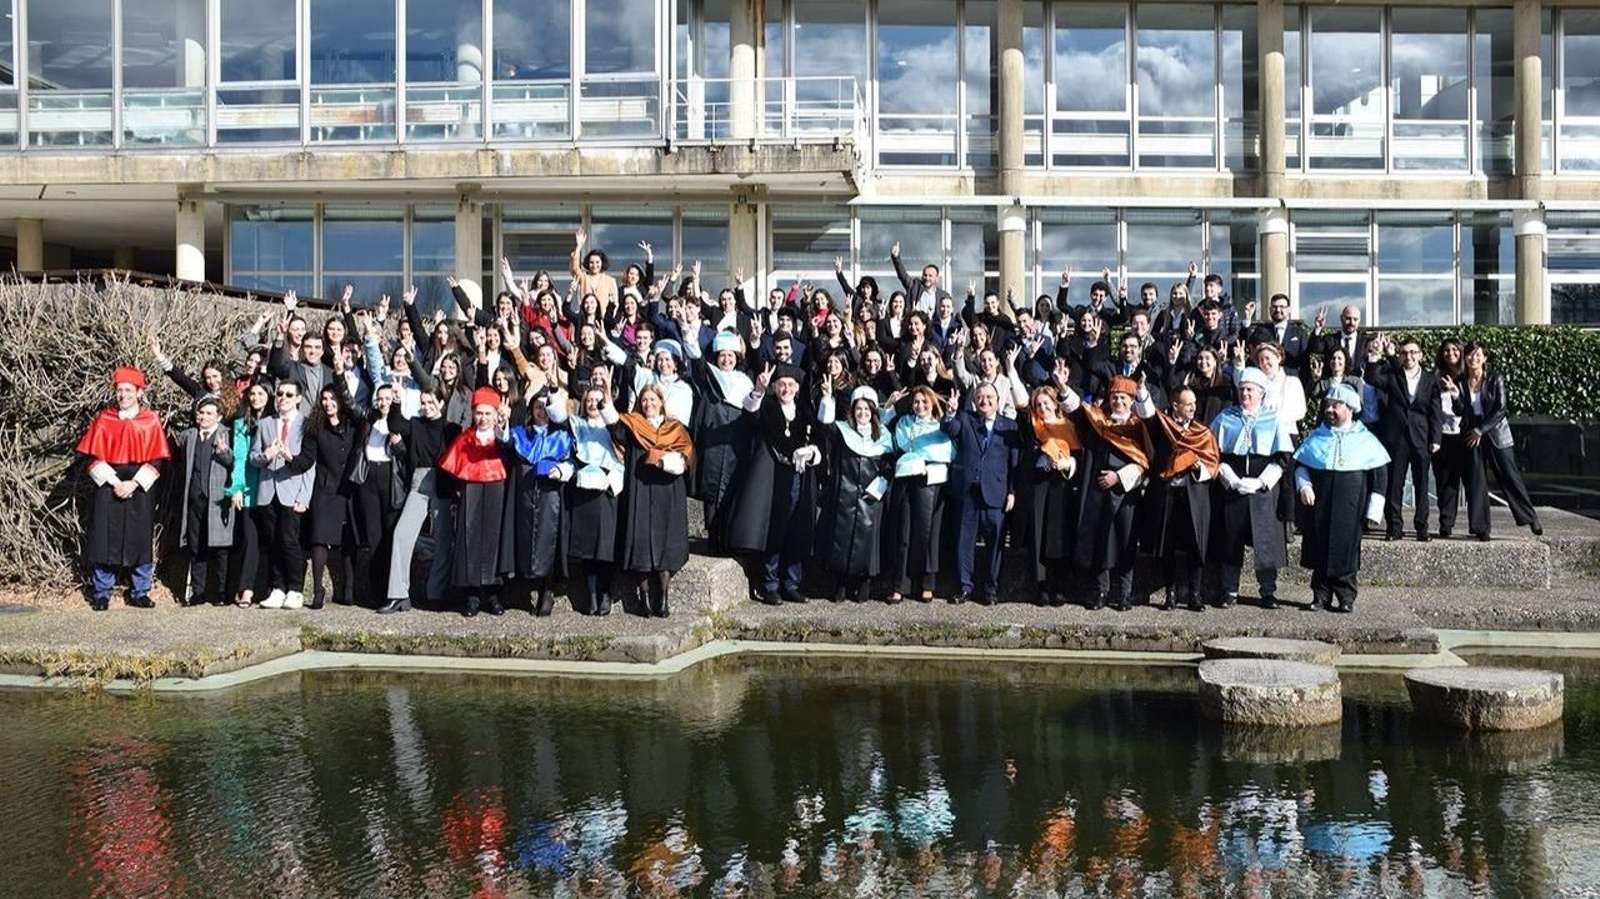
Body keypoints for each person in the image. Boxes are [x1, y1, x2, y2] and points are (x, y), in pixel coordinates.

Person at [75, 367, 171, 611]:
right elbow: (92, 458)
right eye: (119, 390)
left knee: (140, 539)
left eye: (128, 390)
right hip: (109, 485)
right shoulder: (104, 420)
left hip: (139, 487)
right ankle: (101, 592)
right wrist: (115, 482)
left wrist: (134, 483)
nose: (123, 395)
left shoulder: (150, 421)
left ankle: (140, 591)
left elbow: (157, 459)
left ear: (139, 392)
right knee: (104, 538)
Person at [728, 364, 822, 605]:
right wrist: (758, 391)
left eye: (791, 385)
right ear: (774, 387)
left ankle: (791, 583)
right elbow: (750, 416)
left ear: (798, 388)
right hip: (773, 477)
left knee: (797, 530)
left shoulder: (804, 410)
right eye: (781, 384)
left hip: (800, 476)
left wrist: (811, 452)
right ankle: (770, 584)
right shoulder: (767, 406)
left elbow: (820, 438)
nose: (786, 388)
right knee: (774, 530)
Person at [1060, 375, 1154, 611]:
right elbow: (1079, 412)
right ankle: (1101, 591)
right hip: (1099, 494)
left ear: (1131, 400)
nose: (1118, 401)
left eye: (1123, 397)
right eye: (1114, 397)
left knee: (1126, 543)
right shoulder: (1099, 422)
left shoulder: (1137, 427)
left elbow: (1146, 462)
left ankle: (1124, 594)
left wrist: (1119, 477)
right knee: (1101, 541)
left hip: (1127, 493)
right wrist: (1062, 386)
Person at [1294, 383, 1390, 613]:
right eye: (1328, 405)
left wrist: (1373, 512)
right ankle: (1320, 595)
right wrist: (1304, 485)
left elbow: (1380, 477)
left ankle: (1346, 596)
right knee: (1320, 546)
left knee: (1347, 548)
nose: (1330, 409)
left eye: (1335, 405)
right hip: (1321, 504)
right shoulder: (1317, 436)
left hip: (1351, 504)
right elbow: (1300, 466)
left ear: (1349, 408)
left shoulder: (1366, 440)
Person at [1209, 369, 1296, 609]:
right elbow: (1213, 454)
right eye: (1242, 389)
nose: (1245, 393)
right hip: (1232, 488)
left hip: (1263, 489)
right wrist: (1231, 479)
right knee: (1230, 539)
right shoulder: (1225, 417)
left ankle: (1268, 591)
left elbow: (1282, 458)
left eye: (1250, 389)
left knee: (1265, 540)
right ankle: (1229, 591)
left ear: (1261, 393)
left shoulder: (1274, 418)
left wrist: (1262, 482)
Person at [613, 383, 695, 617]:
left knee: (666, 544)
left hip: (668, 490)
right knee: (641, 545)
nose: (649, 404)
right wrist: (607, 397)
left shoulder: (675, 427)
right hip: (641, 487)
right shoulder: (632, 424)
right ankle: (645, 599)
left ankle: (664, 598)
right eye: (645, 400)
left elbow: (687, 454)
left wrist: (668, 460)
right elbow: (613, 426)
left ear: (661, 402)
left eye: (653, 399)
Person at [1138, 387, 1220, 612]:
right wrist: (1141, 390)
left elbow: (1213, 463)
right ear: (1175, 406)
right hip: (1167, 494)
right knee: (1168, 545)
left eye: (1194, 403)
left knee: (1196, 544)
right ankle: (1170, 595)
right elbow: (1145, 412)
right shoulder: (1162, 426)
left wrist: (1197, 468)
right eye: (1188, 404)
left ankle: (1195, 595)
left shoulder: (1201, 432)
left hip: (1194, 494)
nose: (1193, 407)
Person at [381, 388, 460, 614]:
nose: (427, 407)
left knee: (443, 540)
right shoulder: (416, 424)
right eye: (423, 403)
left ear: (442, 403)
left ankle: (435, 593)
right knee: (402, 534)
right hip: (419, 481)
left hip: (443, 484)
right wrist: (396, 401)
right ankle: (398, 594)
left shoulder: (451, 429)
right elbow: (395, 424)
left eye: (431, 402)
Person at [941, 382, 1020, 605]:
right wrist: (950, 413)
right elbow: (949, 430)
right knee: (964, 542)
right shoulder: (965, 419)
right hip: (967, 492)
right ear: (974, 401)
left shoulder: (1010, 426)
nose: (984, 401)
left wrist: (1012, 491)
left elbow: (1014, 463)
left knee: (995, 545)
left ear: (998, 401)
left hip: (996, 493)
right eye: (980, 398)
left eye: (989, 398)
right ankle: (965, 586)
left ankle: (991, 589)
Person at [437, 387, 513, 617]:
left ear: (495, 415)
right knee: (469, 538)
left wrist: (504, 426)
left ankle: (492, 594)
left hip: (496, 488)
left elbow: (511, 454)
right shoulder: (464, 439)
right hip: (470, 491)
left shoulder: (502, 441)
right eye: (479, 413)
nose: (483, 418)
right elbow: (451, 469)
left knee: (494, 537)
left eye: (488, 414)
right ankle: (471, 596)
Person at [816, 386, 895, 603]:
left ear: (873, 411)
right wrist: (826, 399)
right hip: (845, 495)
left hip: (871, 497)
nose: (862, 413)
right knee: (841, 541)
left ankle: (864, 584)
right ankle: (840, 583)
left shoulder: (884, 436)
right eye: (858, 409)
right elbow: (825, 429)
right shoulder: (842, 430)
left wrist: (878, 487)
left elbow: (889, 465)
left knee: (869, 544)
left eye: (866, 409)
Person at [1456, 342, 1543, 539]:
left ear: (1484, 358)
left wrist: (1481, 429)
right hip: (1472, 434)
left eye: (1477, 355)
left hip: (1495, 432)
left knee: (1509, 475)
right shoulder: (1461, 381)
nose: (1473, 358)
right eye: (1469, 355)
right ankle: (1481, 528)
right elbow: (1460, 410)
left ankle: (1530, 517)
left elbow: (1501, 409)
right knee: (1476, 480)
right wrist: (1455, 396)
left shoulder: (1495, 378)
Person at [1364, 336, 1442, 542]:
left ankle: (1421, 528)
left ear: (1420, 355)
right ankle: (1394, 527)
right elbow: (1372, 379)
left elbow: (1435, 411)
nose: (1409, 356)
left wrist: (1436, 438)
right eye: (1405, 353)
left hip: (1421, 438)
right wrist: (1374, 356)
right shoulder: (1392, 375)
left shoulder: (1430, 379)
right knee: (1394, 485)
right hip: (1396, 439)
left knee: (1422, 485)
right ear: (1399, 356)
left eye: (1413, 352)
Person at [683, 331, 755, 552]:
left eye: (731, 355)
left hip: (735, 444)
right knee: (712, 494)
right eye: (722, 355)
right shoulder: (710, 376)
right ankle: (713, 539)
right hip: (711, 444)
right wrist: (687, 333)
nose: (726, 360)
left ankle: (728, 541)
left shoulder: (744, 381)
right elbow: (696, 361)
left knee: (732, 491)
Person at [249, 378, 315, 610]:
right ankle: (277, 587)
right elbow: (253, 457)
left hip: (292, 490)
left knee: (289, 540)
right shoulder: (266, 423)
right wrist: (267, 455)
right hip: (268, 490)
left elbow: (309, 465)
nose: (283, 399)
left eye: (288, 395)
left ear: (298, 398)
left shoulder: (306, 424)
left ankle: (295, 589)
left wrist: (304, 497)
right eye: (280, 394)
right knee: (272, 541)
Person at [507, 390, 574, 616]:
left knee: (549, 540)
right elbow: (504, 443)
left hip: (551, 497)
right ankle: (522, 589)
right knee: (524, 537)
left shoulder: (562, 437)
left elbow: (572, 462)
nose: (541, 411)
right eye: (537, 407)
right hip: (524, 495)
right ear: (530, 410)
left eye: (546, 407)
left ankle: (547, 591)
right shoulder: (519, 435)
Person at [886, 386, 954, 603]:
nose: (920, 406)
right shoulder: (904, 424)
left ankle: (927, 584)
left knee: (929, 533)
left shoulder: (939, 426)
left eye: (925, 402)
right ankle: (900, 584)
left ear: (932, 403)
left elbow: (949, 451)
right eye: (916, 402)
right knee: (904, 533)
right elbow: (899, 444)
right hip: (907, 478)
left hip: (932, 481)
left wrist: (923, 454)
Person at [567, 379, 626, 615]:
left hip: (607, 488)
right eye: (588, 400)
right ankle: (591, 595)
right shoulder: (577, 425)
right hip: (584, 488)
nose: (592, 403)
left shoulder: (611, 426)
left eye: (596, 400)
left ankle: (605, 594)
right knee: (587, 548)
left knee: (605, 547)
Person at [1018, 385, 1080, 607]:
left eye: (1046, 403)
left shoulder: (1070, 427)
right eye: (1038, 405)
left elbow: (1080, 458)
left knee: (1059, 535)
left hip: (1062, 486)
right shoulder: (1033, 427)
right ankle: (1042, 587)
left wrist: (1068, 463)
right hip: (1039, 484)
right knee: (1039, 535)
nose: (1042, 408)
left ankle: (1060, 585)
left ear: (1056, 404)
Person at [172, 395, 237, 607]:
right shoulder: (190, 436)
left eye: (209, 413)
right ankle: (198, 592)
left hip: (218, 500)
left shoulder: (227, 434)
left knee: (221, 547)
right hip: (194, 500)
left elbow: (235, 464)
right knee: (196, 546)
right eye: (201, 413)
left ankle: (221, 593)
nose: (204, 417)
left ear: (219, 416)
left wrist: (223, 452)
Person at [303, 384, 357, 609]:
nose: (328, 403)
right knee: (319, 539)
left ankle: (349, 590)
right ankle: (318, 590)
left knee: (349, 539)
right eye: (324, 399)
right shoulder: (316, 428)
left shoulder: (352, 425)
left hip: (348, 488)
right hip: (325, 489)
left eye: (332, 398)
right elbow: (308, 459)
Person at [225, 379, 272, 607]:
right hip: (251, 488)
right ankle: (246, 589)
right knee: (250, 540)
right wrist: (237, 488)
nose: (255, 398)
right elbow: (240, 458)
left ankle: (272, 587)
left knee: (272, 540)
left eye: (261, 393)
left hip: (273, 487)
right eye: (252, 394)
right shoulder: (242, 423)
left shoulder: (275, 420)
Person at [1245, 294, 1310, 377]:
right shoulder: (1262, 330)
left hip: (1290, 381)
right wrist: (1248, 319)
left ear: (1288, 310)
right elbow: (1249, 346)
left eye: (1282, 307)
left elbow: (1305, 362)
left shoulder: (1299, 333)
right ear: (1270, 310)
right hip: (1266, 380)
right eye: (1274, 307)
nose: (1278, 310)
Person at [890, 241, 952, 316]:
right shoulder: (914, 286)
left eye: (930, 276)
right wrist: (896, 258)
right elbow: (903, 275)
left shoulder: (942, 295)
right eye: (925, 275)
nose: (927, 278)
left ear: (937, 278)